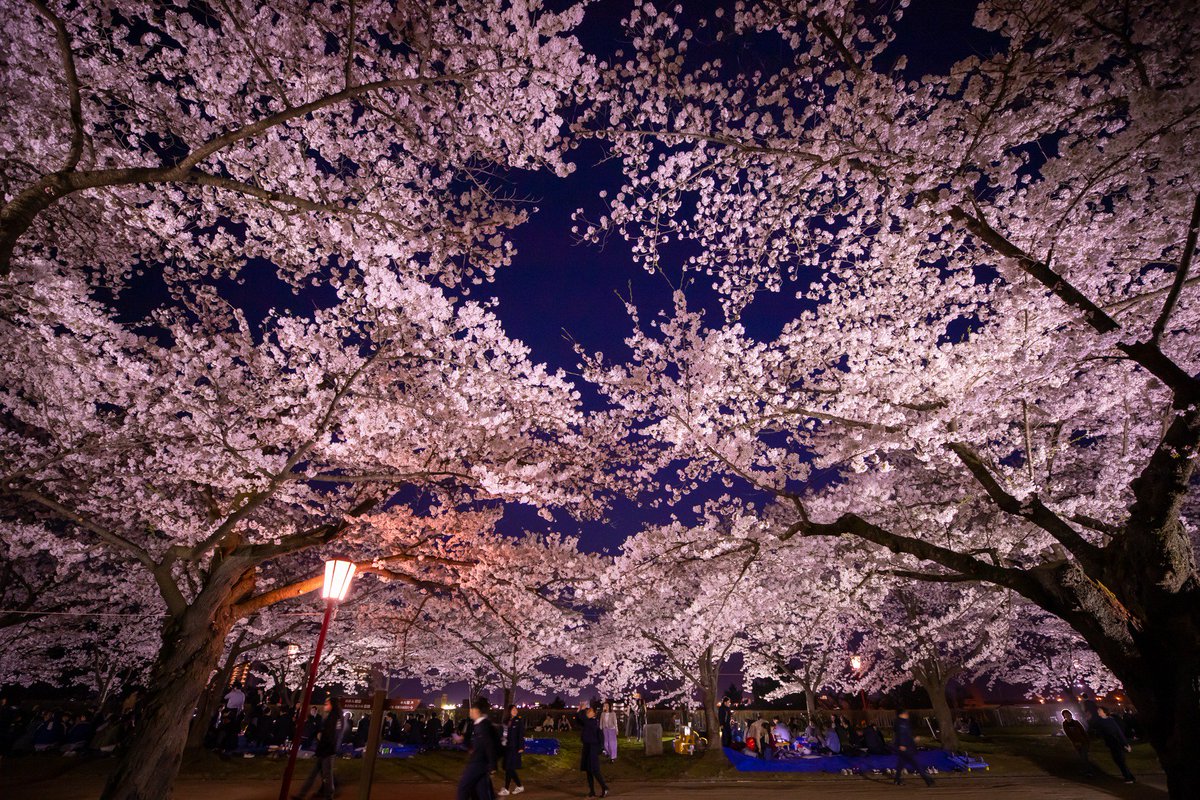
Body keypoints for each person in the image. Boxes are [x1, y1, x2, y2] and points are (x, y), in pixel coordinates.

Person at [295, 696, 346, 800]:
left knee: (326, 775)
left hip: (327, 750)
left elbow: (331, 735)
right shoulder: (336, 716)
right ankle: (302, 795)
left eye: (327, 703)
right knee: (318, 774)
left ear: (332, 704)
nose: (324, 706)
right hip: (326, 749)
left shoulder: (334, 717)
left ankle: (328, 795)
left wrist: (321, 735)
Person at [458, 699, 499, 800]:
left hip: (478, 762)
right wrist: (464, 741)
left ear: (477, 711)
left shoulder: (482, 726)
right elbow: (479, 744)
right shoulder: (480, 724)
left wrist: (493, 765)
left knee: (463, 788)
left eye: (471, 710)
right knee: (481, 790)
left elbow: (489, 745)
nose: (470, 712)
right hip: (482, 763)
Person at [892, 710, 934, 787]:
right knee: (915, 763)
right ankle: (927, 779)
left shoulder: (903, 722)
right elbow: (901, 734)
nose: (907, 714)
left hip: (906, 746)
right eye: (905, 713)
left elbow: (905, 734)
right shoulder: (901, 723)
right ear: (901, 714)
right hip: (905, 747)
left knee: (901, 764)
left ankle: (897, 779)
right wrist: (902, 744)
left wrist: (913, 739)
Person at [1096, 707, 1135, 783]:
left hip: (1117, 743)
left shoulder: (1110, 720)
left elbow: (1118, 732)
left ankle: (1129, 778)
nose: (1098, 711)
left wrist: (1125, 744)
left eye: (1099, 710)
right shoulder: (1100, 721)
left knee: (1120, 761)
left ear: (1104, 712)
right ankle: (1130, 777)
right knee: (1118, 761)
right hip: (1111, 744)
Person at [579, 705, 609, 797]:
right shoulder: (588, 722)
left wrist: (582, 710)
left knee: (595, 769)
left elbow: (584, 719)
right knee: (588, 770)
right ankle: (592, 791)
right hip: (587, 747)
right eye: (587, 712)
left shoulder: (593, 722)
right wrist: (579, 711)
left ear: (593, 714)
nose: (587, 713)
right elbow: (579, 720)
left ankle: (604, 787)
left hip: (593, 747)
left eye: (589, 712)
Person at [499, 705, 525, 796]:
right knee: (509, 768)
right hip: (507, 747)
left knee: (509, 768)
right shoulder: (506, 721)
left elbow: (521, 735)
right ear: (509, 711)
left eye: (515, 709)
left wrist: (521, 747)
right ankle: (518, 786)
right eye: (513, 709)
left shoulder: (518, 721)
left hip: (514, 748)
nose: (515, 710)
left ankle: (507, 788)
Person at [1060, 710, 1094, 776]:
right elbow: (1069, 734)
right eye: (1065, 715)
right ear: (1064, 716)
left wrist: (1087, 741)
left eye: (1068, 714)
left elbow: (1083, 731)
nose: (1067, 715)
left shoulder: (1076, 722)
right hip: (1077, 744)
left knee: (1084, 757)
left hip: (1083, 742)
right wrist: (1075, 742)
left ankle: (1088, 771)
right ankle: (1086, 770)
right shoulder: (1065, 724)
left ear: (1071, 714)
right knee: (1082, 757)